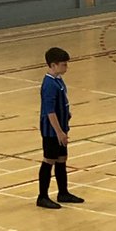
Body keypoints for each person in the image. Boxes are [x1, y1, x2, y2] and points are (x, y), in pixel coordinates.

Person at [36, 46, 84, 210]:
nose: (66, 67)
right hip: (52, 131)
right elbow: (50, 111)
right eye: (63, 64)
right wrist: (59, 132)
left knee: (62, 159)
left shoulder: (58, 80)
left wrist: (67, 113)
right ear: (53, 65)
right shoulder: (49, 84)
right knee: (49, 160)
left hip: (62, 127)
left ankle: (63, 192)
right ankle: (42, 196)